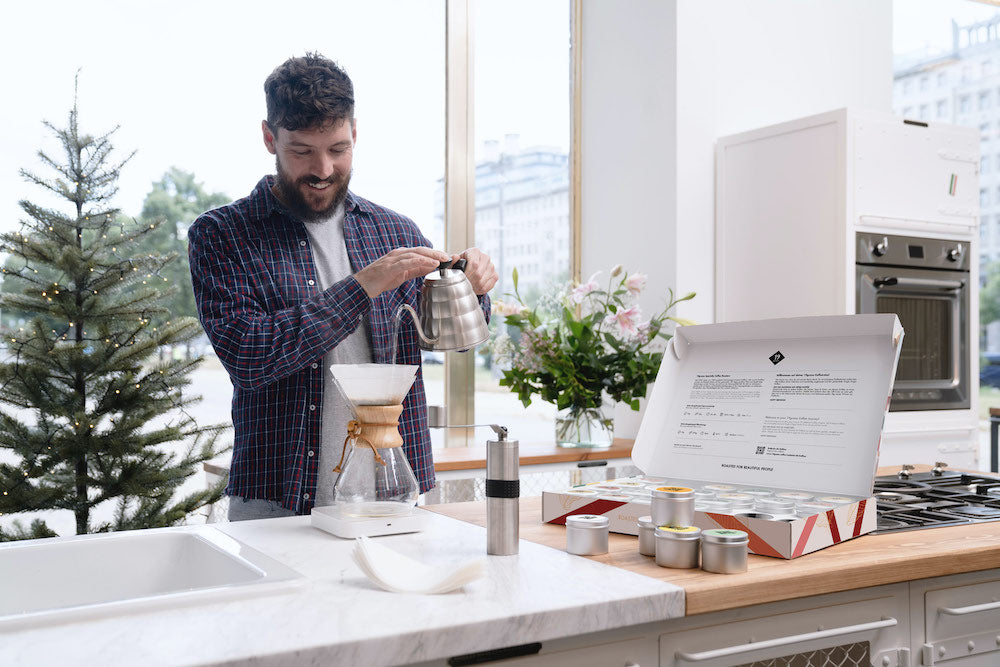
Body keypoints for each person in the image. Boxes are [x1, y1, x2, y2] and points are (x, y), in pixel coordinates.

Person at [188, 53, 497, 520]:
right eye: (302, 152)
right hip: (277, 498)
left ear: (355, 132)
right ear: (270, 138)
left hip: (395, 490)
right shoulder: (223, 234)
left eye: (338, 148)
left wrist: (472, 291)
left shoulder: (394, 232)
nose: (324, 168)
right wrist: (364, 285)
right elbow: (250, 357)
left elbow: (444, 340)